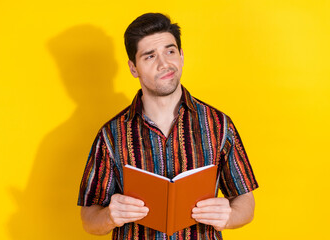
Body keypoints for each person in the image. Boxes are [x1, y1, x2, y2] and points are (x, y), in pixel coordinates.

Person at [77, 13, 258, 239]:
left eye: (170, 51)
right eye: (150, 56)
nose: (164, 64)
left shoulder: (219, 124)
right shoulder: (111, 134)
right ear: (134, 68)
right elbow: (89, 218)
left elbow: (245, 199)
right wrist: (110, 216)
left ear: (181, 56)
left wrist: (230, 216)